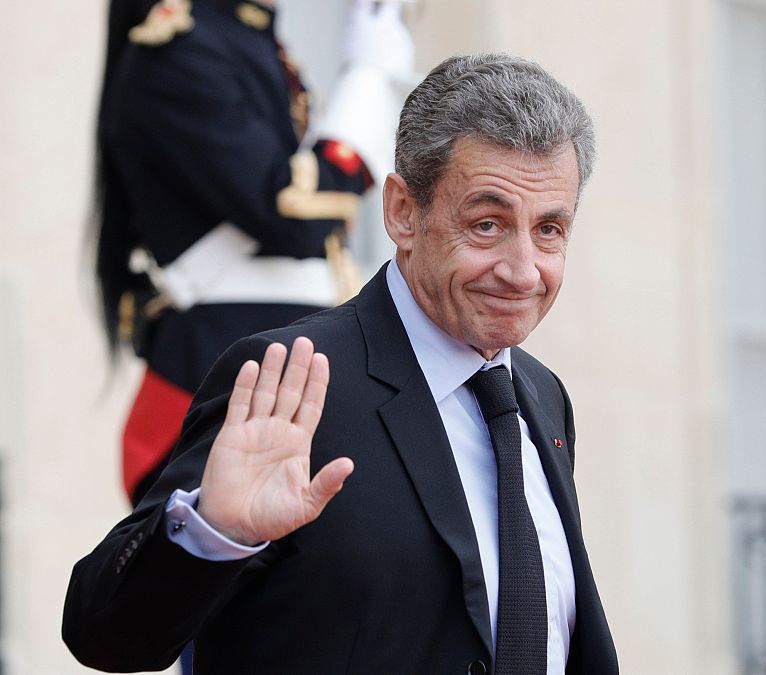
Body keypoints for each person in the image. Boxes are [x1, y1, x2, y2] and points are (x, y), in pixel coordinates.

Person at [64, 52, 619, 675]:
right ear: (403, 213)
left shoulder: (542, 396)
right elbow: (104, 634)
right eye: (487, 225)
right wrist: (215, 532)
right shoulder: (293, 378)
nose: (523, 271)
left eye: (549, 230)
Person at [94, 0, 413, 505]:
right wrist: (368, 81)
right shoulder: (177, 53)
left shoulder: (248, 39)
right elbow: (291, 212)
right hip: (226, 374)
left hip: (296, 357)